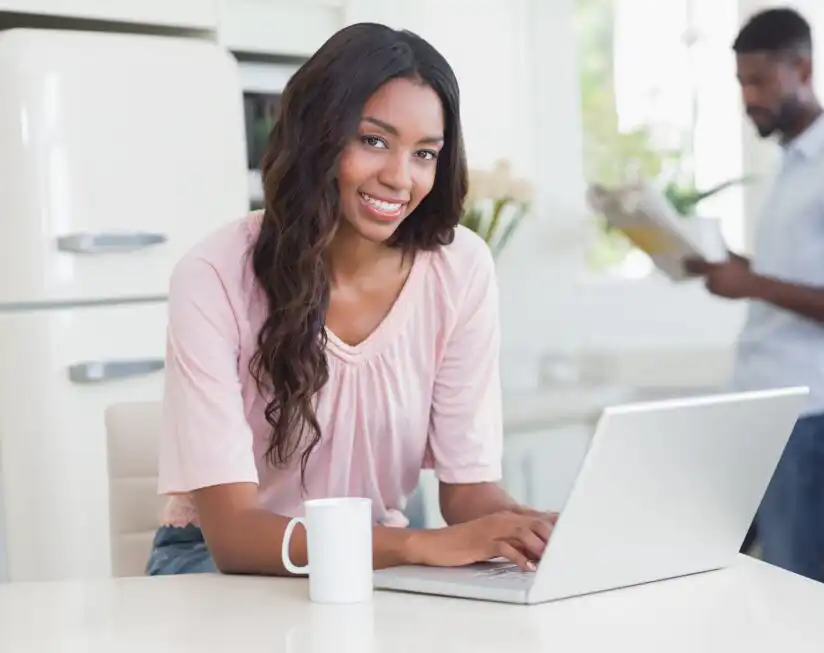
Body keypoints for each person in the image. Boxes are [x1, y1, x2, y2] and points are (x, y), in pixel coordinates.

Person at [146, 23, 555, 577]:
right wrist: (417, 546)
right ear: (318, 135)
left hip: (374, 562)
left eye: (425, 153)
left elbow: (467, 494)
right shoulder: (214, 275)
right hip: (218, 567)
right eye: (374, 141)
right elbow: (234, 538)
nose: (399, 178)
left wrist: (533, 532)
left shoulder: (459, 268)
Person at [685, 7, 824, 584]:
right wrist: (735, 269)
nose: (748, 98)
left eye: (758, 81)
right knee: (714, 569)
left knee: (793, 583)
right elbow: (795, 279)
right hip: (761, 404)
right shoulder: (795, 166)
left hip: (806, 413)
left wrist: (751, 283)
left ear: (801, 68)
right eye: (741, 84)